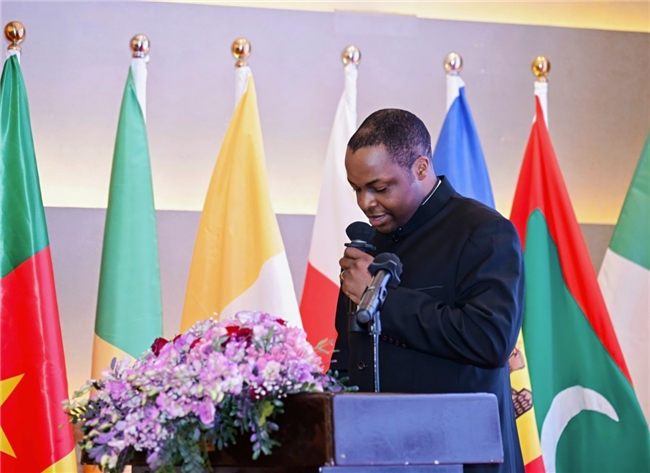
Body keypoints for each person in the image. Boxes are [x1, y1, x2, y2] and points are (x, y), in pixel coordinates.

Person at [331, 109, 525, 473]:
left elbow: (490, 340)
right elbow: (348, 355)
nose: (365, 202)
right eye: (357, 188)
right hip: (370, 454)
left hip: (461, 456)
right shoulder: (368, 246)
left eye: (379, 188)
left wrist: (380, 299)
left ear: (420, 168)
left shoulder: (482, 232)